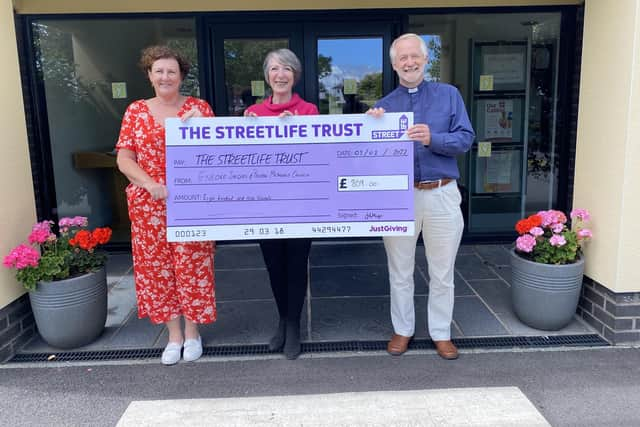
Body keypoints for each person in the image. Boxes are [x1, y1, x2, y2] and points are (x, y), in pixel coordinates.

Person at [368, 33, 475, 360]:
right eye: (403, 58)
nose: (410, 62)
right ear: (393, 64)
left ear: (426, 59)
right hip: (400, 198)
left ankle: (441, 332)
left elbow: (466, 139)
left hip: (442, 193)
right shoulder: (384, 107)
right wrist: (370, 130)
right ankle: (403, 329)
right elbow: (371, 158)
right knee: (399, 268)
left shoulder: (449, 95)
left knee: (442, 271)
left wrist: (434, 138)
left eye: (415, 56)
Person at [115, 45, 216, 365]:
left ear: (181, 75)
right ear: (149, 75)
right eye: (159, 70)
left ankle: (192, 332)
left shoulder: (199, 107)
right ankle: (173, 335)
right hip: (150, 204)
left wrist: (203, 125)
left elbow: (220, 152)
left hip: (191, 202)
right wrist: (148, 183)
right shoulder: (136, 111)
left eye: (171, 71)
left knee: (193, 266)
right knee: (158, 270)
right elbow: (124, 157)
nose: (165, 76)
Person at [245, 48, 319, 359]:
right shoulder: (252, 114)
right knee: (275, 266)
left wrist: (297, 132)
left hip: (300, 204)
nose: (280, 74)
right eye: (274, 68)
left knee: (296, 265)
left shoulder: (310, 111)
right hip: (265, 205)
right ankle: (283, 320)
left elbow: (318, 159)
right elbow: (242, 162)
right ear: (267, 76)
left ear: (295, 75)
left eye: (287, 68)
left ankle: (294, 326)